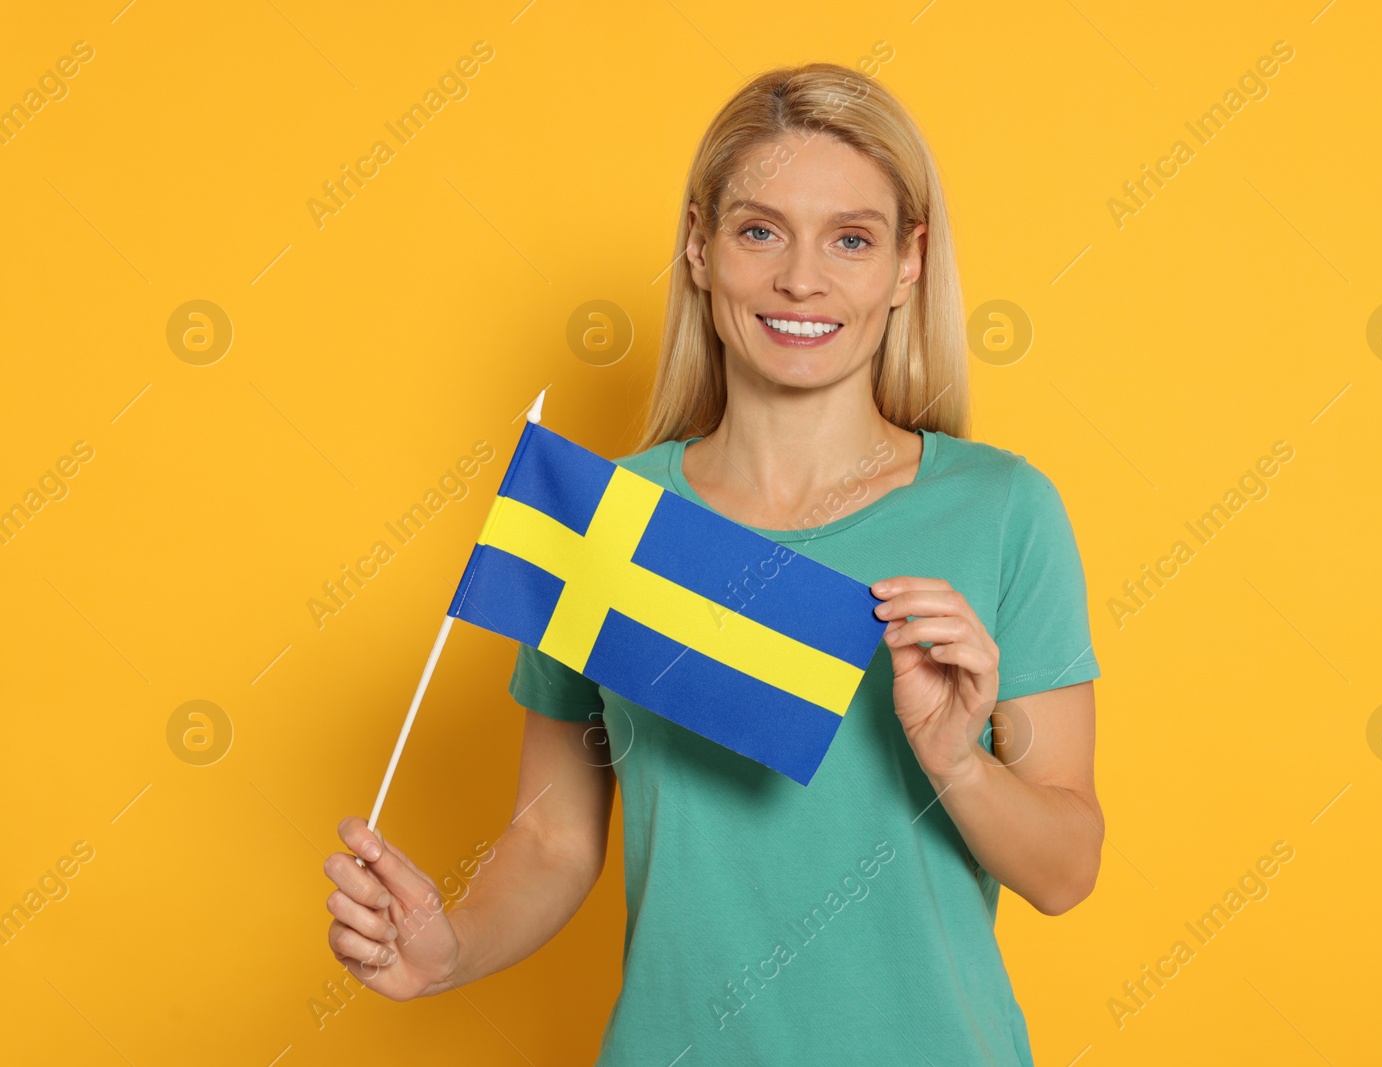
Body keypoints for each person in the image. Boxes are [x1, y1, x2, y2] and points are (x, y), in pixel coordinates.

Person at [324, 61, 1103, 1065]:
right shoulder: (608, 523)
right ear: (700, 245)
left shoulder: (1000, 510)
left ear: (908, 264)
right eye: (759, 230)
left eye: (851, 239)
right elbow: (555, 839)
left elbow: (1065, 869)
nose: (801, 280)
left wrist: (955, 759)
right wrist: (450, 947)